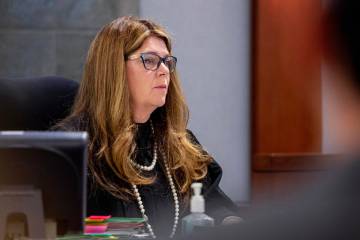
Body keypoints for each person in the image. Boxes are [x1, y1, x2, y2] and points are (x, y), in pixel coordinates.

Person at [54, 16, 240, 238]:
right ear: (113, 69)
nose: (164, 71)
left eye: (167, 62)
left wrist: (232, 222)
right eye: (150, 61)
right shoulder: (74, 148)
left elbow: (214, 204)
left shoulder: (180, 144)